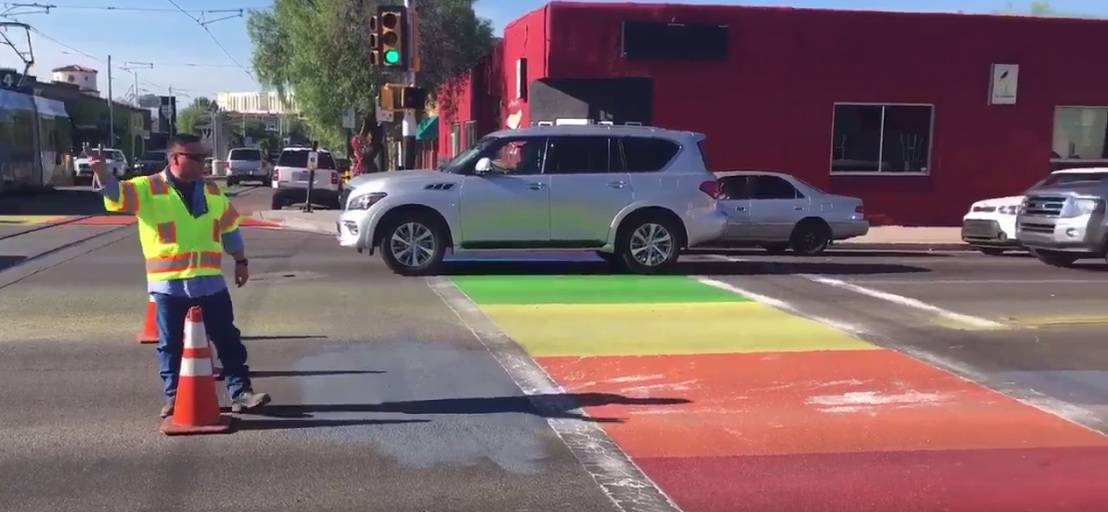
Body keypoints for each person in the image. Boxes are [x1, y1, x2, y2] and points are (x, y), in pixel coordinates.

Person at [90, 134, 270, 418]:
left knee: (228, 340)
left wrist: (240, 260)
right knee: (170, 345)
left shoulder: (211, 191)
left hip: (209, 281)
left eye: (203, 157)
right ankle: (175, 397)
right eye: (196, 157)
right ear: (175, 159)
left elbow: (229, 228)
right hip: (168, 285)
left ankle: (241, 392)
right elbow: (116, 196)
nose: (203, 163)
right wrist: (102, 174)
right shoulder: (149, 188)